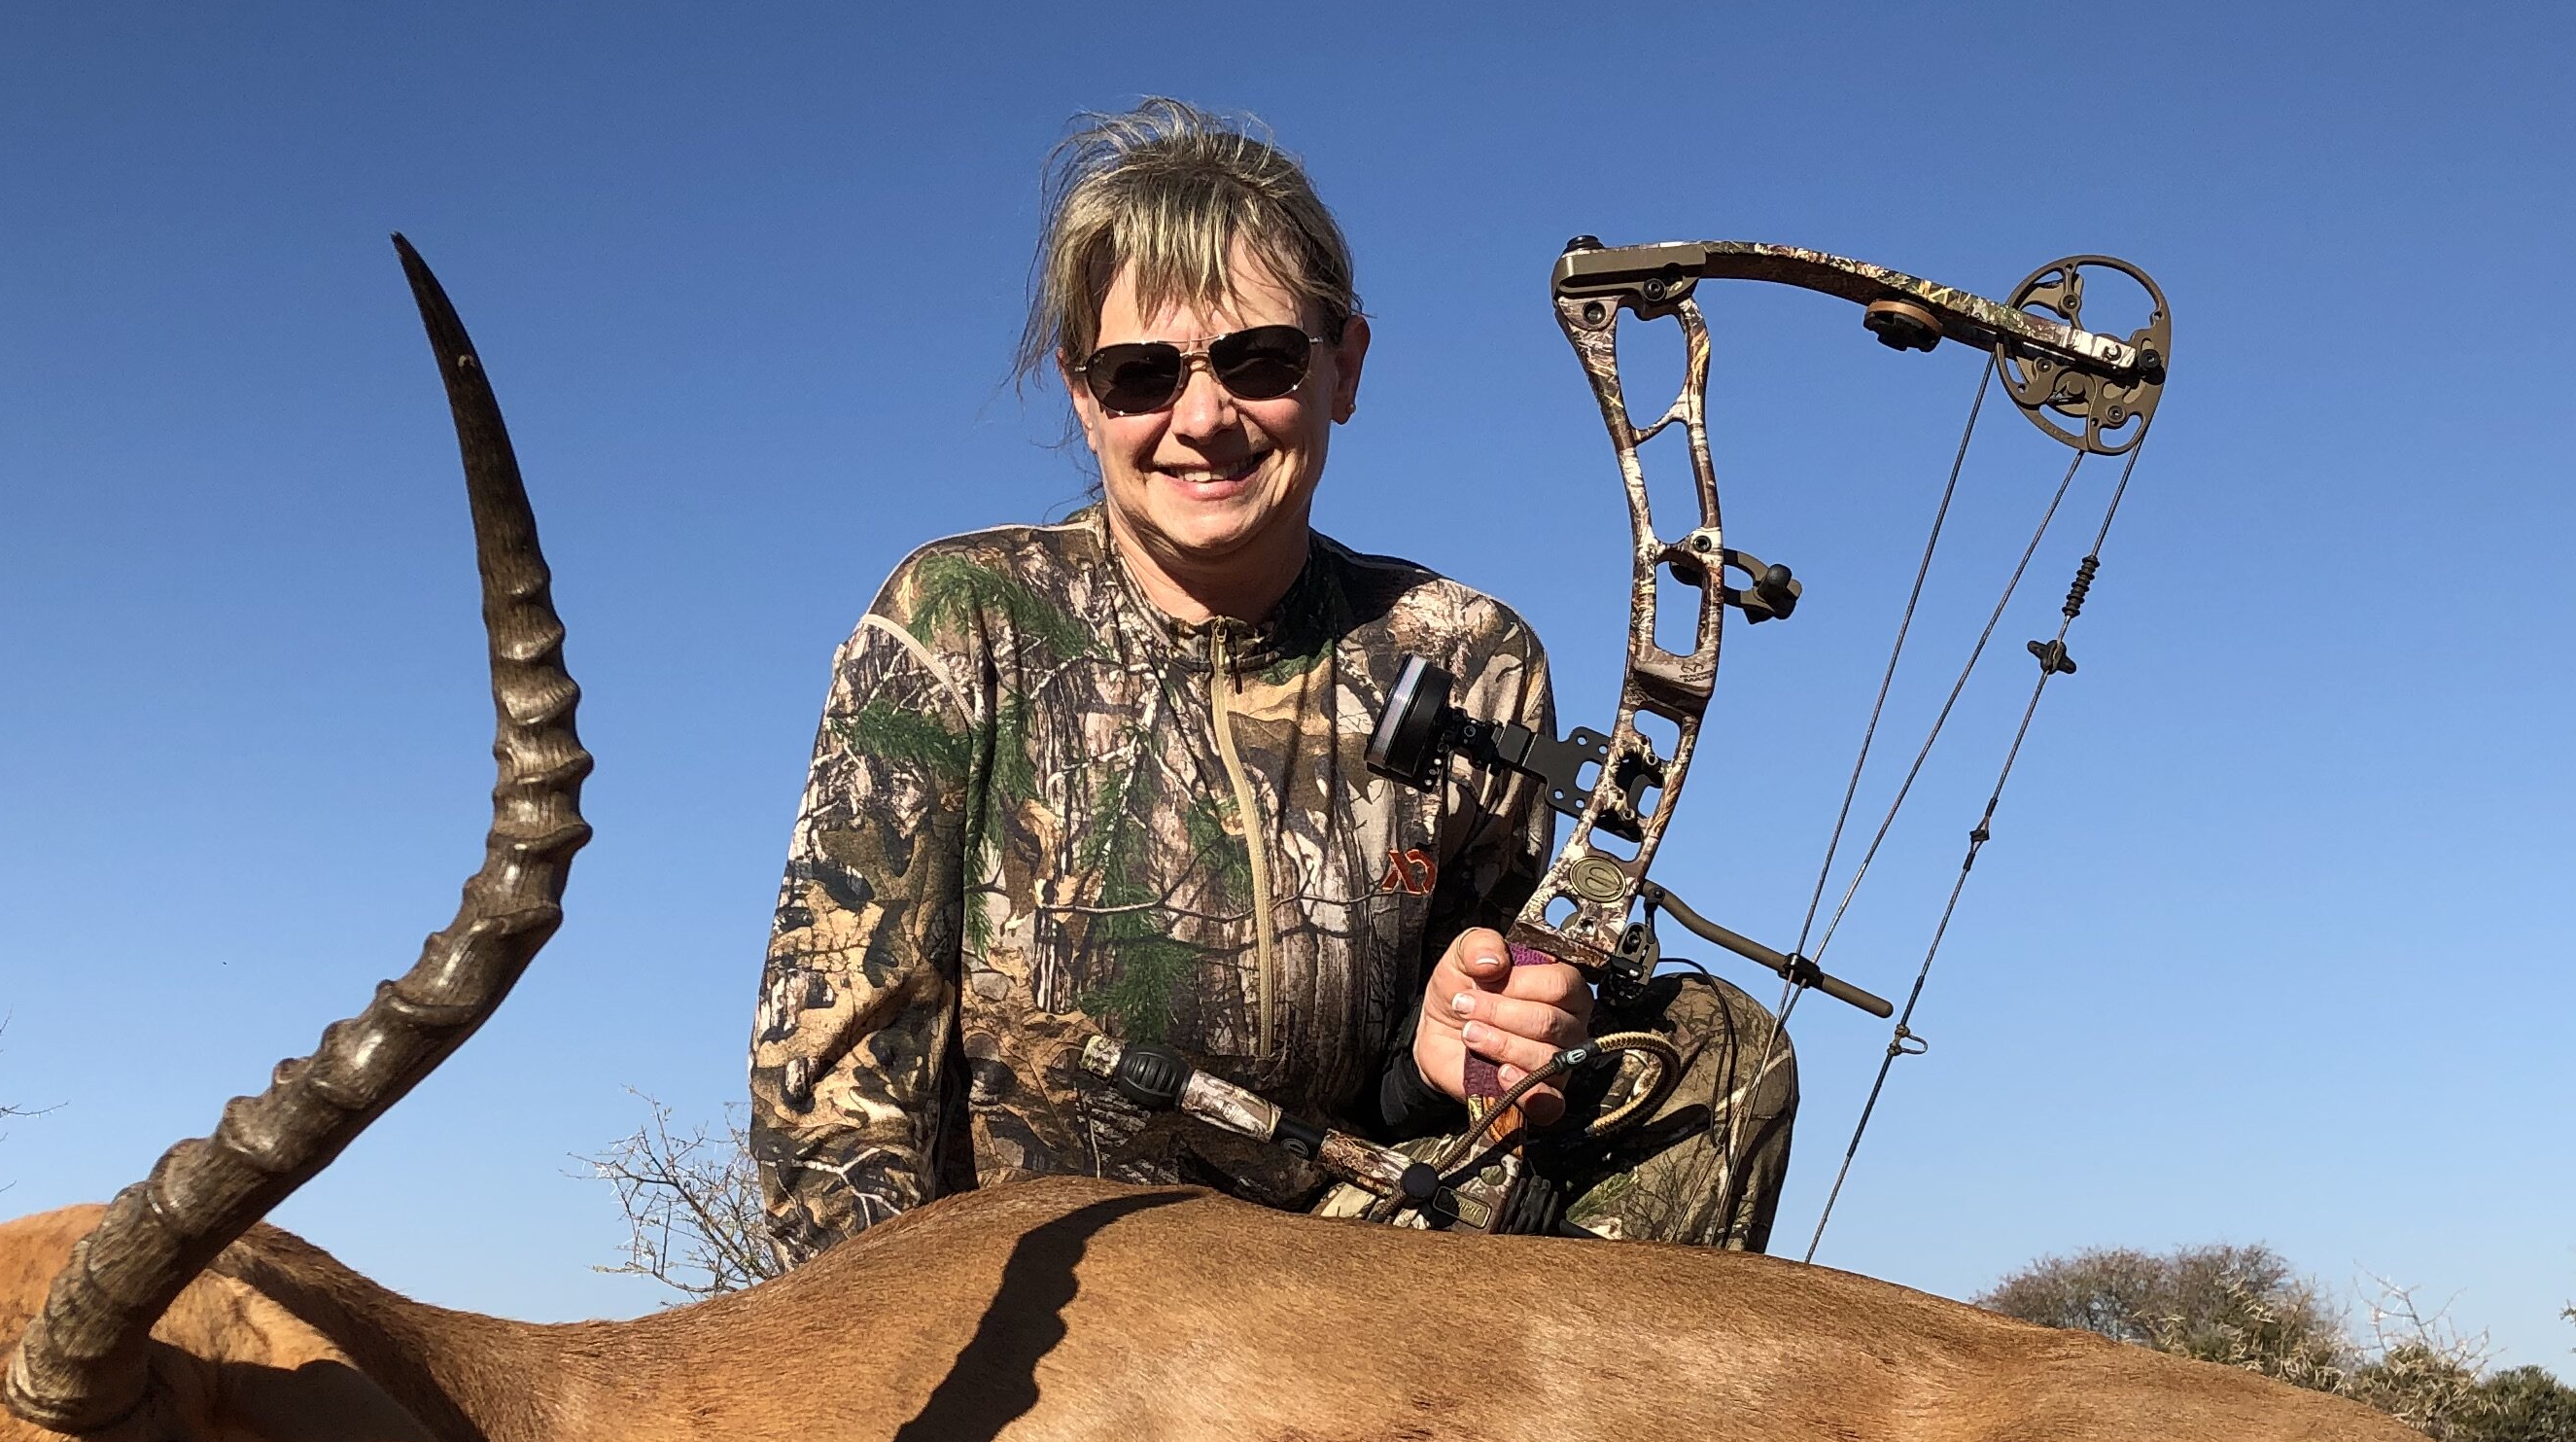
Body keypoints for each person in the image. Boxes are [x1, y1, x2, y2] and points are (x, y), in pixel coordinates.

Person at [748, 99, 1794, 1266]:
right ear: (1083, 396)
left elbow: (1448, 1089)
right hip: (1044, 1329)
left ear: (1343, 365)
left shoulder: (1472, 654)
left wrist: (1465, 1047)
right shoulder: (956, 625)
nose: (1203, 417)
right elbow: (834, 1088)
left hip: (1342, 1292)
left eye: (1258, 358)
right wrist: (910, 1389)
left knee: (1713, 1053)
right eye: (1142, 374)